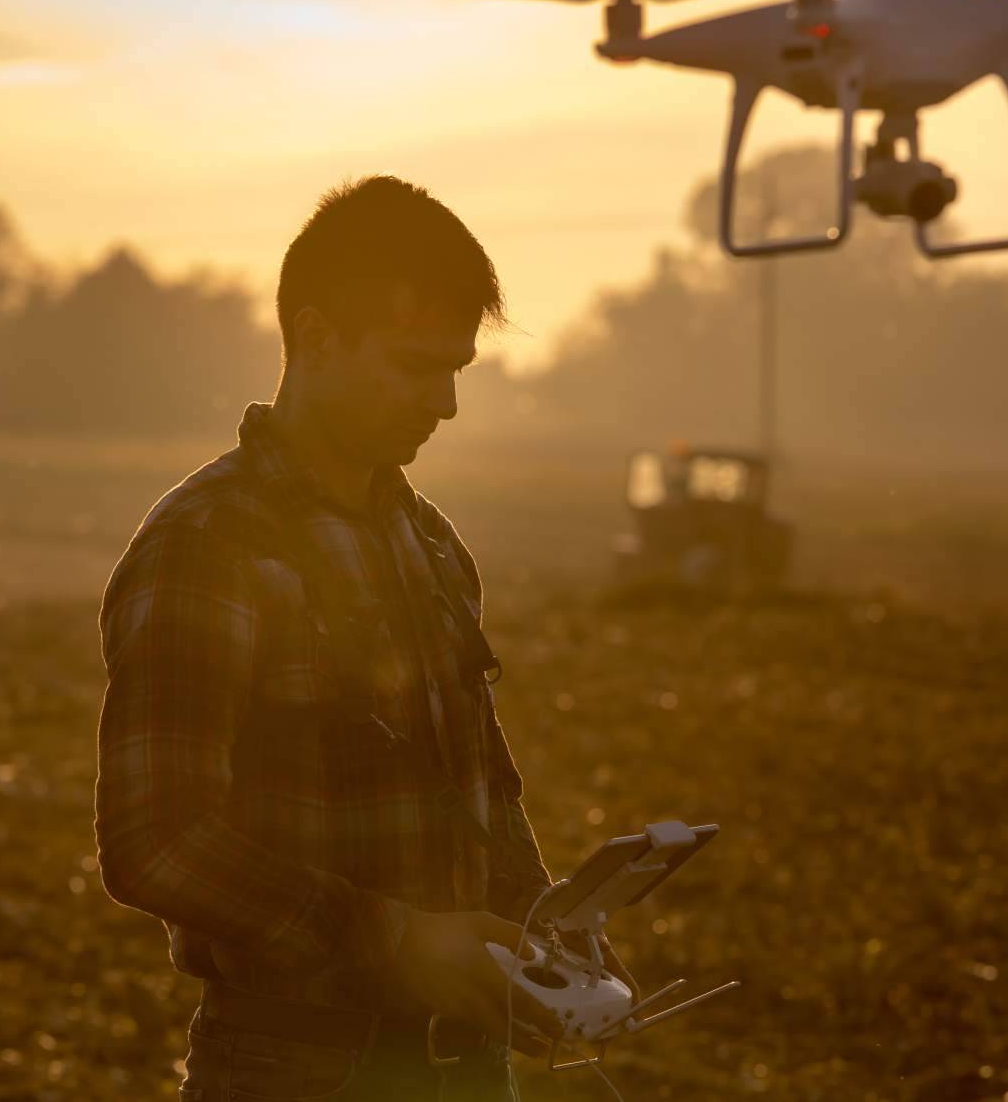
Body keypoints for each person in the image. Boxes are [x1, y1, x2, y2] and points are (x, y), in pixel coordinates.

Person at [93, 176, 635, 1100]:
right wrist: (387, 936)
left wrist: (544, 932)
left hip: (467, 1071)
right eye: (415, 365)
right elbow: (155, 839)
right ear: (313, 337)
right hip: (298, 1068)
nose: (448, 403)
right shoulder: (207, 544)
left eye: (457, 368)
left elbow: (481, 793)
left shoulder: (430, 545)